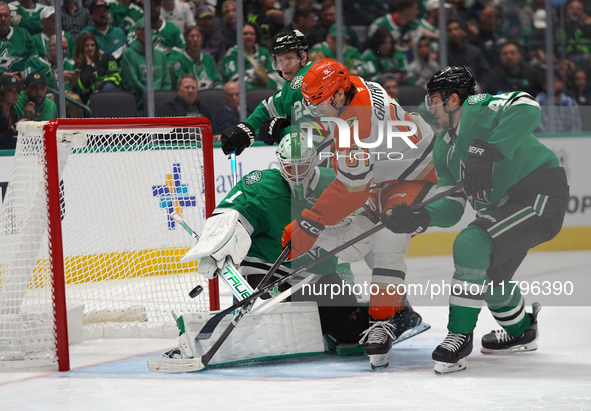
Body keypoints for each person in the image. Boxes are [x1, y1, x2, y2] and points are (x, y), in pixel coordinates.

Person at [380, 66, 569, 374]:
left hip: (539, 195)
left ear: (454, 99)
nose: (431, 109)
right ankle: (522, 331)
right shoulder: (443, 148)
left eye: (434, 101)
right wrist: (420, 216)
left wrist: (489, 148)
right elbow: (452, 206)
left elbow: (527, 106)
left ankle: (459, 335)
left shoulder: (475, 108)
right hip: (507, 207)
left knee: (471, 242)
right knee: (491, 278)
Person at [283, 58, 437, 369]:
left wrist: (310, 223)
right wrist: (313, 229)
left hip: (415, 174)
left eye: (320, 102)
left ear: (339, 95)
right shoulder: (352, 86)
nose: (316, 110)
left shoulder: (357, 127)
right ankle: (402, 308)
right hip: (384, 174)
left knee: (385, 241)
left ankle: (383, 319)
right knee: (352, 243)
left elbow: (350, 191)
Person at [171, 133, 370, 362]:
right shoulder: (260, 185)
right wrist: (213, 248)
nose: (296, 174)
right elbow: (228, 216)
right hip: (265, 270)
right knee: (270, 322)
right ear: (279, 162)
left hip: (314, 274)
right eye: (289, 167)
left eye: (302, 166)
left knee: (350, 328)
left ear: (314, 160)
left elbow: (362, 221)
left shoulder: (334, 184)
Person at [220, 30, 325, 161]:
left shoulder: (307, 80)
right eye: (279, 60)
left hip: (324, 159)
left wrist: (280, 132)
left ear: (303, 57)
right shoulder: (292, 81)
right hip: (308, 159)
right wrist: (247, 128)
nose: (284, 65)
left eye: (289, 58)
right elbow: (271, 106)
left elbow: (315, 132)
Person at [120, 20, 171, 107]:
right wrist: (149, 95)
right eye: (143, 30)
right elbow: (132, 82)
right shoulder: (128, 54)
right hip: (139, 101)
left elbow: (166, 80)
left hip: (161, 100)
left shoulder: (160, 55)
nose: (147, 33)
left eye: (149, 30)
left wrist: (162, 95)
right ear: (136, 33)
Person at [221, 22, 281, 90]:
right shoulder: (232, 54)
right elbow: (234, 79)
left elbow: (276, 75)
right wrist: (253, 91)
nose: (248, 36)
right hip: (245, 93)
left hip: (266, 91)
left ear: (256, 36)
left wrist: (267, 81)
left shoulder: (264, 52)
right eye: (245, 34)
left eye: (252, 34)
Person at [73, 31, 122, 105]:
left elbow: (115, 77)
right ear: (81, 48)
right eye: (86, 46)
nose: (90, 48)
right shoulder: (78, 66)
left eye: (92, 45)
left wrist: (100, 90)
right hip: (91, 100)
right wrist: (88, 66)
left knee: (108, 88)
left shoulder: (107, 58)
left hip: (111, 92)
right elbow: (83, 88)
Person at [167, 26, 221, 90]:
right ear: (186, 40)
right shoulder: (179, 61)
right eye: (192, 36)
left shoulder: (209, 58)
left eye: (198, 36)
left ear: (202, 40)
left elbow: (218, 80)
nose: (195, 39)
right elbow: (181, 85)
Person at [0, 1, 34, 80]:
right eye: (0, 16)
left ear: (10, 16)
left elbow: (34, 58)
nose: (3, 19)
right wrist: (4, 74)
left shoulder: (23, 34)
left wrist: (25, 73)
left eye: (6, 15)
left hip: (21, 81)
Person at [0, 74, 19, 149]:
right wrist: (13, 128)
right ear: (1, 93)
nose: (15, 94)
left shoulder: (12, 111)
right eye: (10, 90)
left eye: (17, 91)